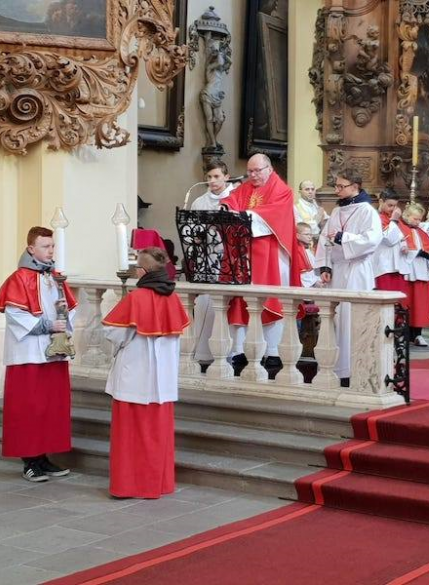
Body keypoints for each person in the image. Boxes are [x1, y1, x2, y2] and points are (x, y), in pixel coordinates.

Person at [102, 247, 190, 499]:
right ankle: (158, 484)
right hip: (162, 383)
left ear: (141, 270)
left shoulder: (137, 297)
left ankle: (128, 486)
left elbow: (114, 332)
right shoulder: (173, 298)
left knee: (129, 437)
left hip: (135, 378)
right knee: (157, 435)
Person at [0, 226, 77, 482]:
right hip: (27, 355)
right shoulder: (18, 279)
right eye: (45, 246)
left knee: (51, 407)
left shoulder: (56, 277)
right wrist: (48, 325)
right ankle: (29, 461)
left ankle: (44, 457)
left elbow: (70, 310)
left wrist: (63, 316)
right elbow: (16, 316)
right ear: (31, 249)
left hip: (53, 353)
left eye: (52, 246)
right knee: (28, 408)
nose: (50, 251)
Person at [225, 154, 309, 376]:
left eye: (257, 171)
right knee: (242, 301)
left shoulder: (281, 189)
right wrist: (227, 208)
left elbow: (273, 215)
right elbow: (231, 199)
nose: (253, 175)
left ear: (269, 169)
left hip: (272, 254)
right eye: (250, 171)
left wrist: (242, 216)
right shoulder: (245, 188)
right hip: (246, 254)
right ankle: (241, 350)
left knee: (272, 301)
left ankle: (273, 352)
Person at [315, 168, 383, 386]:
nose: (337, 190)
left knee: (352, 319)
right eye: (336, 186)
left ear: (355, 187)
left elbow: (373, 239)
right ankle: (336, 367)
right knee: (336, 319)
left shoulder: (366, 211)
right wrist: (325, 266)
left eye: (341, 186)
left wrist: (345, 238)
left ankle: (355, 368)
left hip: (356, 270)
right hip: (338, 271)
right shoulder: (336, 211)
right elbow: (325, 240)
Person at [191, 160, 235, 368]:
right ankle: (203, 353)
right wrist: (196, 236)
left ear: (227, 177)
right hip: (206, 258)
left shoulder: (236, 198)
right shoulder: (199, 202)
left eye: (217, 176)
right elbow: (191, 230)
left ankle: (230, 353)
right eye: (209, 177)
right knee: (203, 305)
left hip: (230, 260)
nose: (212, 181)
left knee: (226, 306)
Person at [397, 203, 429, 347]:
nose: (418, 222)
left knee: (420, 304)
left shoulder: (420, 231)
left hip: (421, 270)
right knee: (407, 303)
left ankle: (418, 334)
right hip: (408, 269)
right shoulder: (399, 228)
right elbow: (400, 248)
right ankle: (404, 333)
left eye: (419, 219)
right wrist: (417, 253)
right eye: (415, 219)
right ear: (407, 216)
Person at [373, 188, 408, 298]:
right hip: (383, 265)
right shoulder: (376, 218)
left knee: (397, 300)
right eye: (390, 205)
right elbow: (389, 240)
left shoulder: (393, 218)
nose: (392, 209)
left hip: (396, 264)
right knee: (386, 297)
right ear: (381, 202)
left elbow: (403, 236)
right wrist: (394, 220)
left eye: (395, 206)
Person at [297, 222, 320, 288]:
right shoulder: (298, 251)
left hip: (314, 280)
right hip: (306, 284)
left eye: (310, 234)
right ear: (297, 235)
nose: (310, 237)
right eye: (306, 234)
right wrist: (314, 282)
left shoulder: (309, 248)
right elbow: (303, 273)